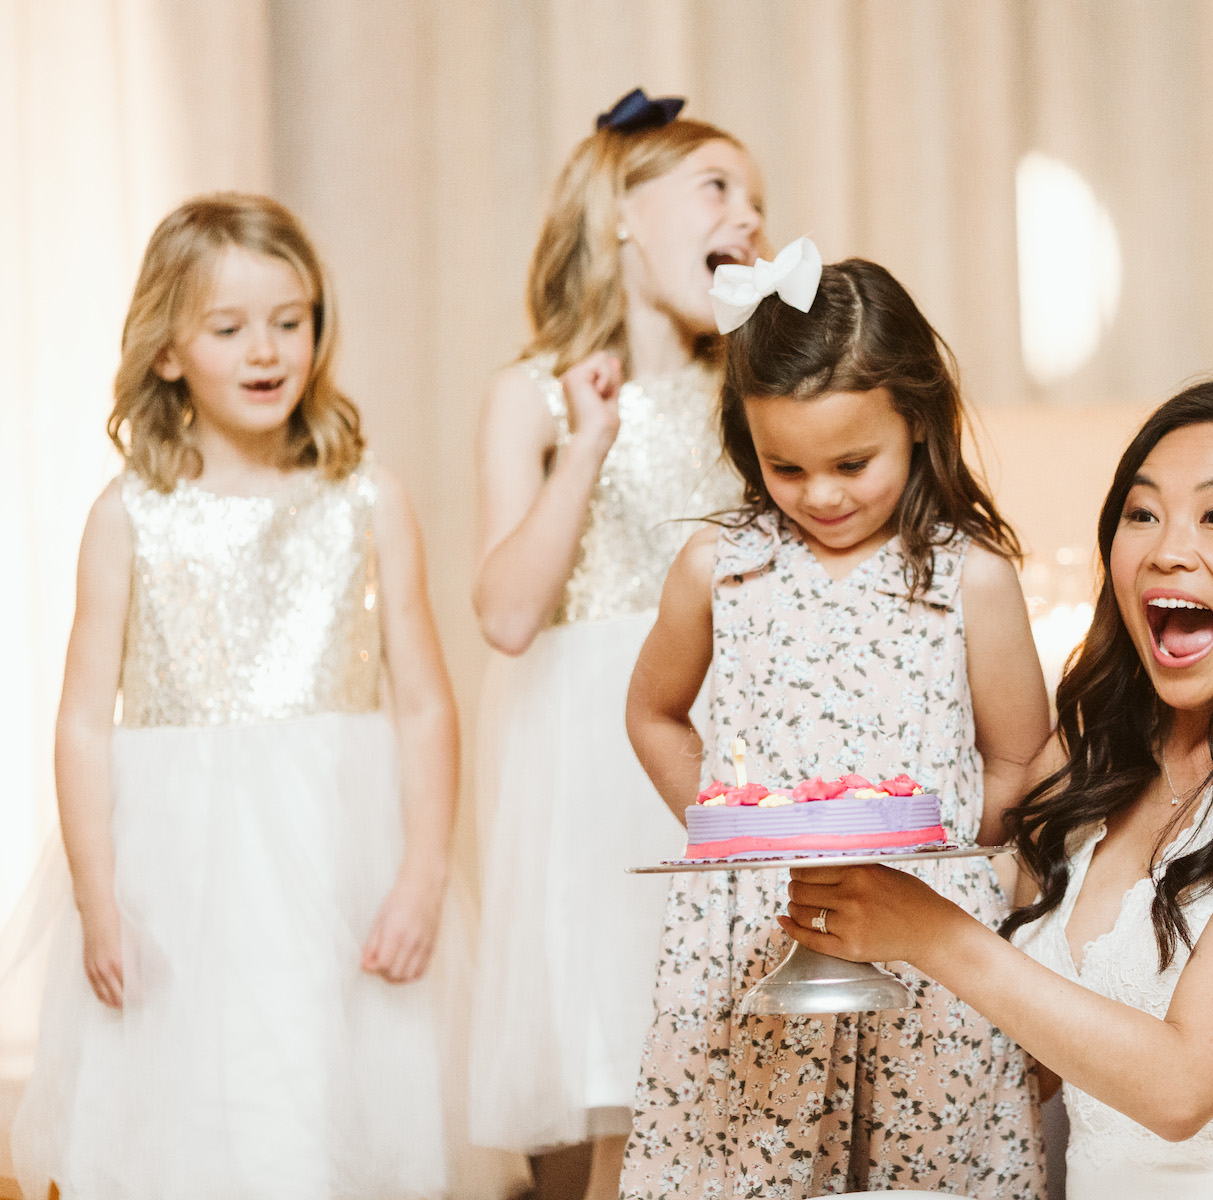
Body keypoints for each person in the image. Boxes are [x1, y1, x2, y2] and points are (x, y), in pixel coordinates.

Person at [778, 377, 1213, 1200]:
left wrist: (936, 935)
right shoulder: (1086, 764)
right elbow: (1037, 1064)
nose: (1168, 547)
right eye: (1142, 513)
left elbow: (1181, 1085)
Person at [9, 194, 474, 1198]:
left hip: (336, 871)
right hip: (176, 888)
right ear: (170, 351)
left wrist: (422, 874)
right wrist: (99, 902)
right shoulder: (128, 516)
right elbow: (86, 721)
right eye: (228, 328)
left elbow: (429, 705)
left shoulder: (368, 499)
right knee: (192, 1128)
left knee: (316, 1116)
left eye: (290, 320)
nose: (267, 350)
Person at [621, 246, 1050, 1199]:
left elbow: (1022, 752)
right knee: (751, 1156)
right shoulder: (718, 566)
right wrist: (734, 830)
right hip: (756, 938)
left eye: (854, 463)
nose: (821, 493)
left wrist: (956, 871)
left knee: (922, 1163)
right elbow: (653, 712)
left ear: (918, 420)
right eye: (787, 466)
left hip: (925, 935)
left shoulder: (967, 574)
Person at [465, 88, 762, 1200]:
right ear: (623, 214)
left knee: (738, 1085)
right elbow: (504, 614)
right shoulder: (535, 396)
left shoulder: (748, 394)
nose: (748, 214)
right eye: (717, 188)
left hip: (726, 748)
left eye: (758, 200)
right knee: (629, 1089)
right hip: (598, 771)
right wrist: (588, 441)